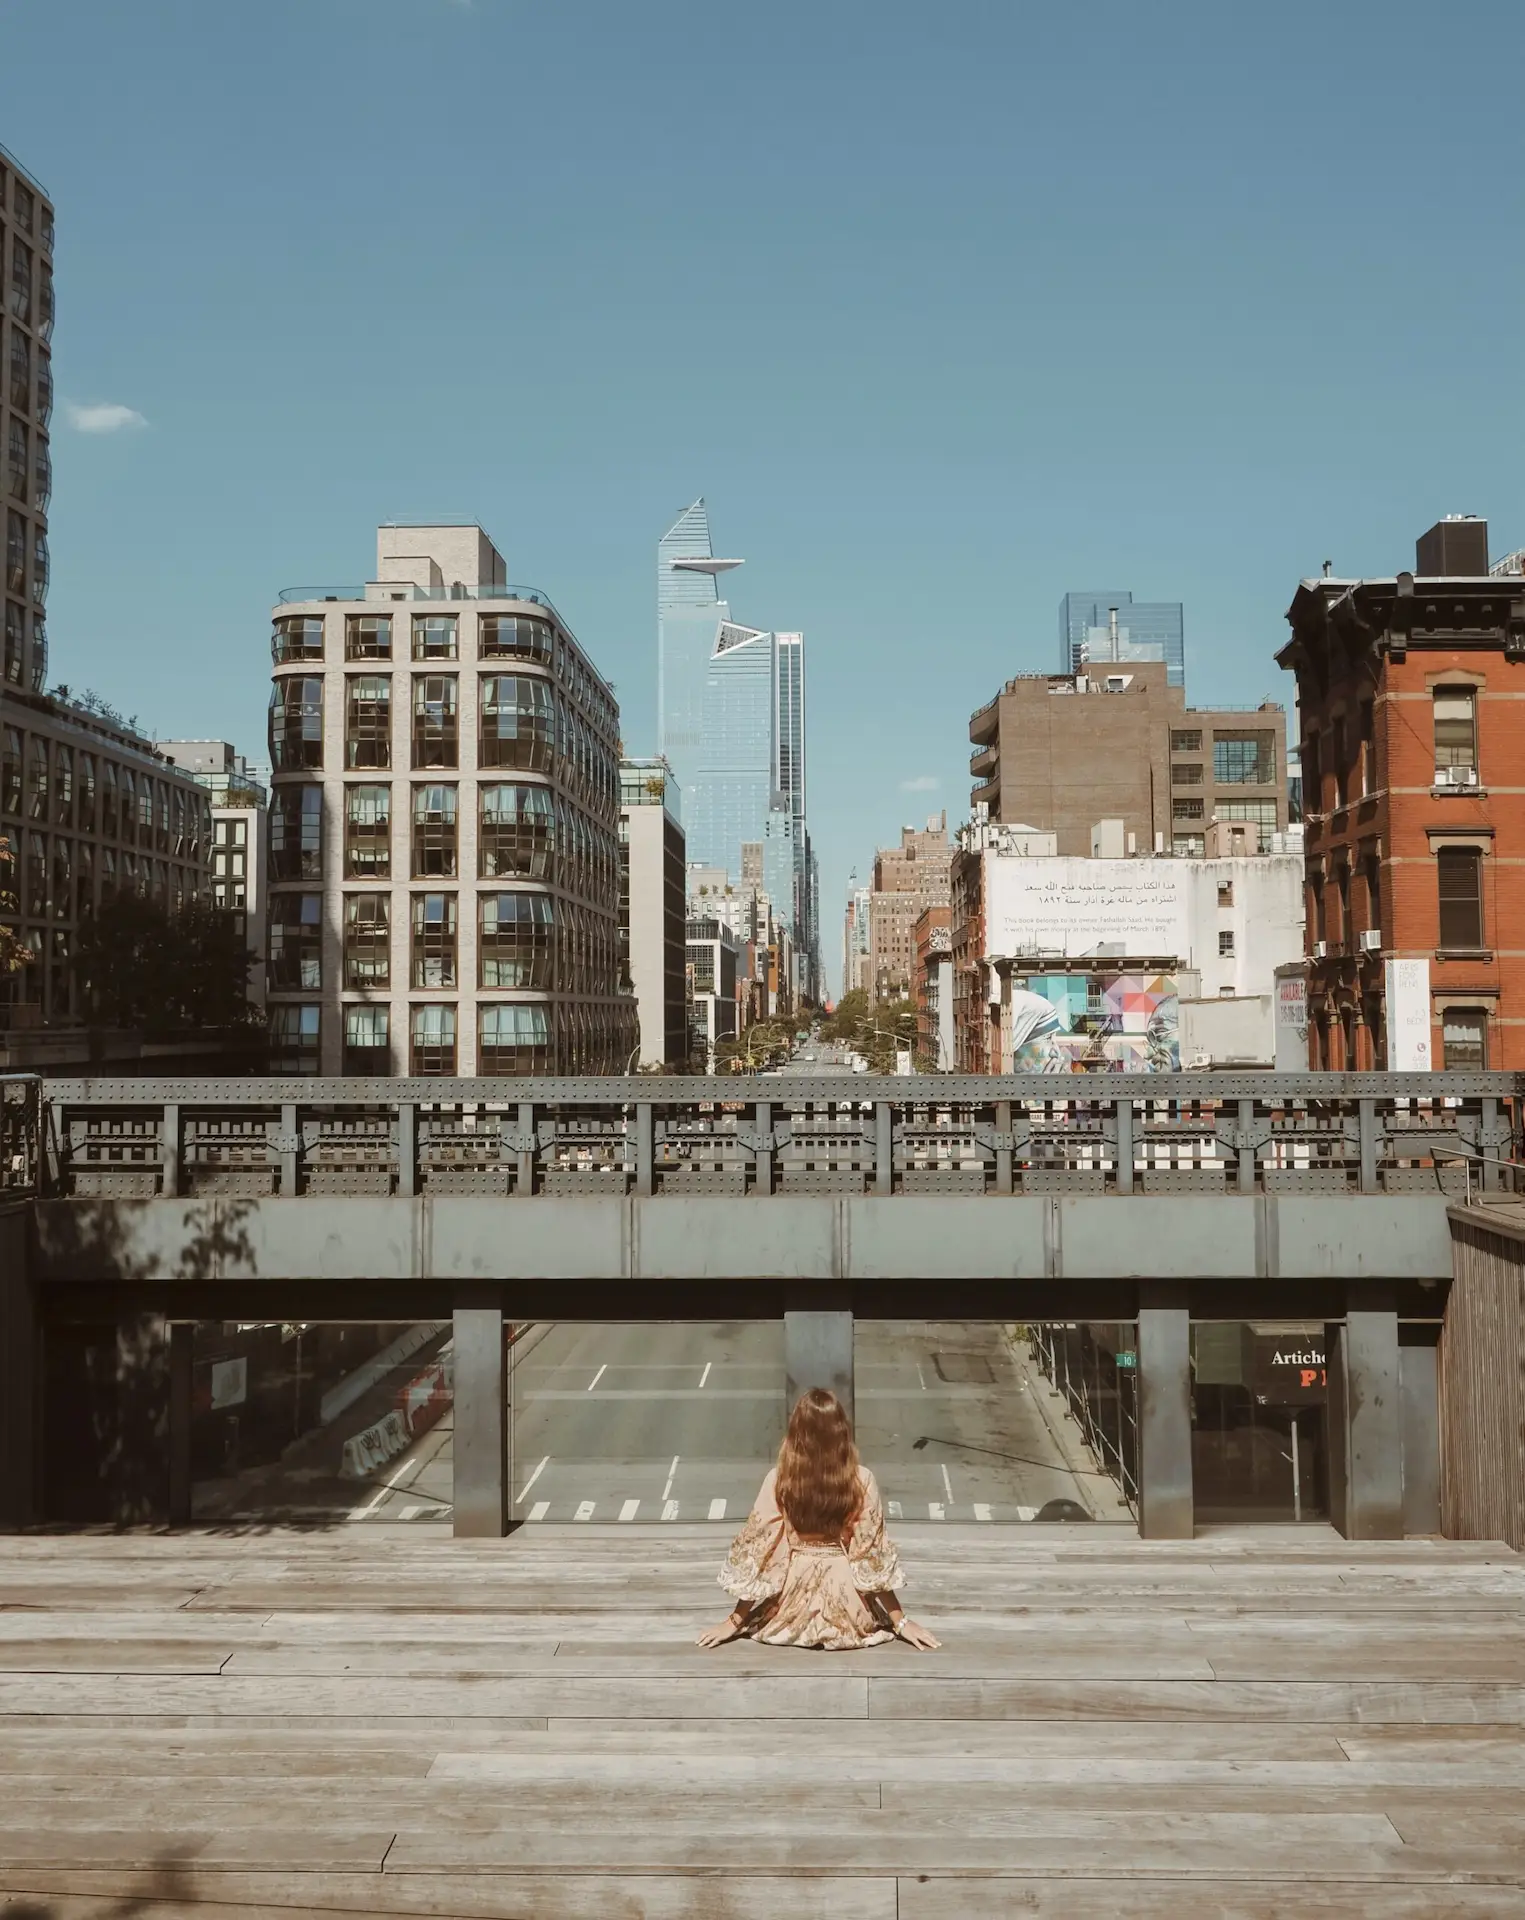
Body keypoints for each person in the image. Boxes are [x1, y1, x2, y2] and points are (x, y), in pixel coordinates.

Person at [697, 1387, 939, 1652]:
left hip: (792, 1600)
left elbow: (759, 1548)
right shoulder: (861, 1480)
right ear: (841, 1432)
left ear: (796, 1432)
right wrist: (900, 1621)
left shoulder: (780, 1480)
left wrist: (736, 1620)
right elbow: (869, 1558)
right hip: (846, 1601)